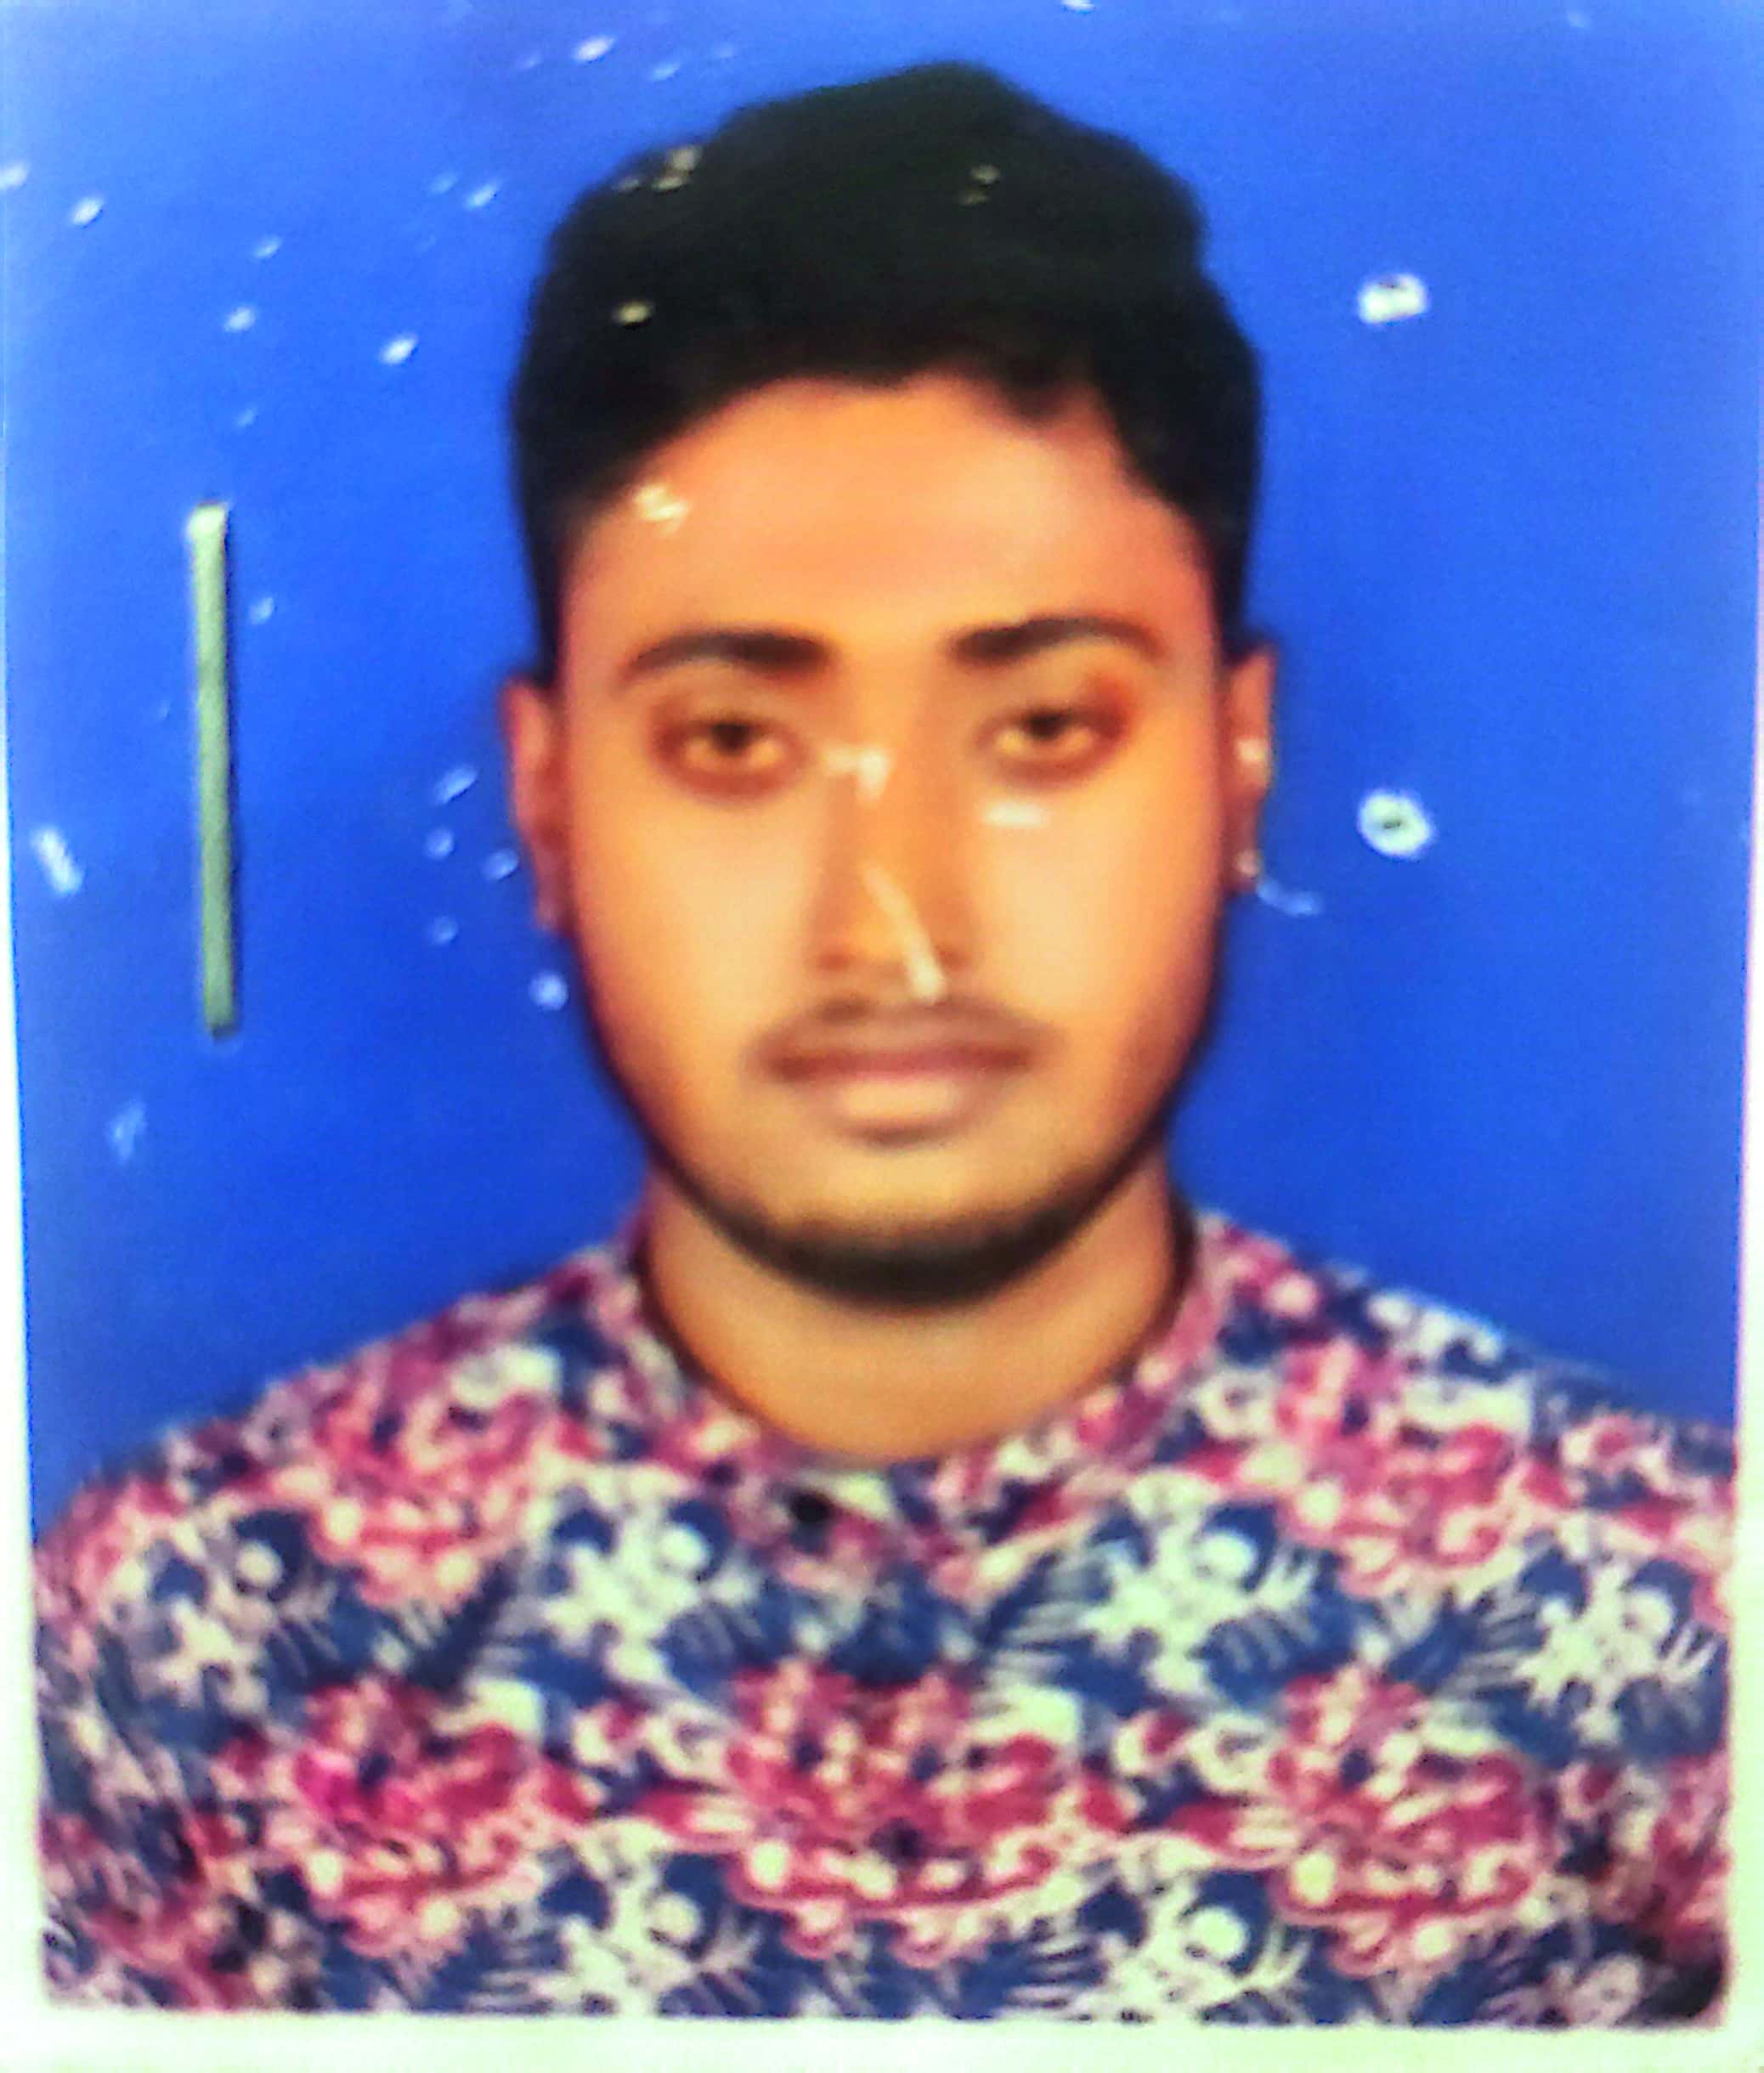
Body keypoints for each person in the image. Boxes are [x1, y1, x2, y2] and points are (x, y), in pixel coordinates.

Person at [33, 63, 1729, 2023]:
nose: (892, 922)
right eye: (733, 740)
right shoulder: (193, 1637)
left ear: (1240, 760)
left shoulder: (1657, 1619)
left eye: (1046, 729)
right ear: (551, 800)